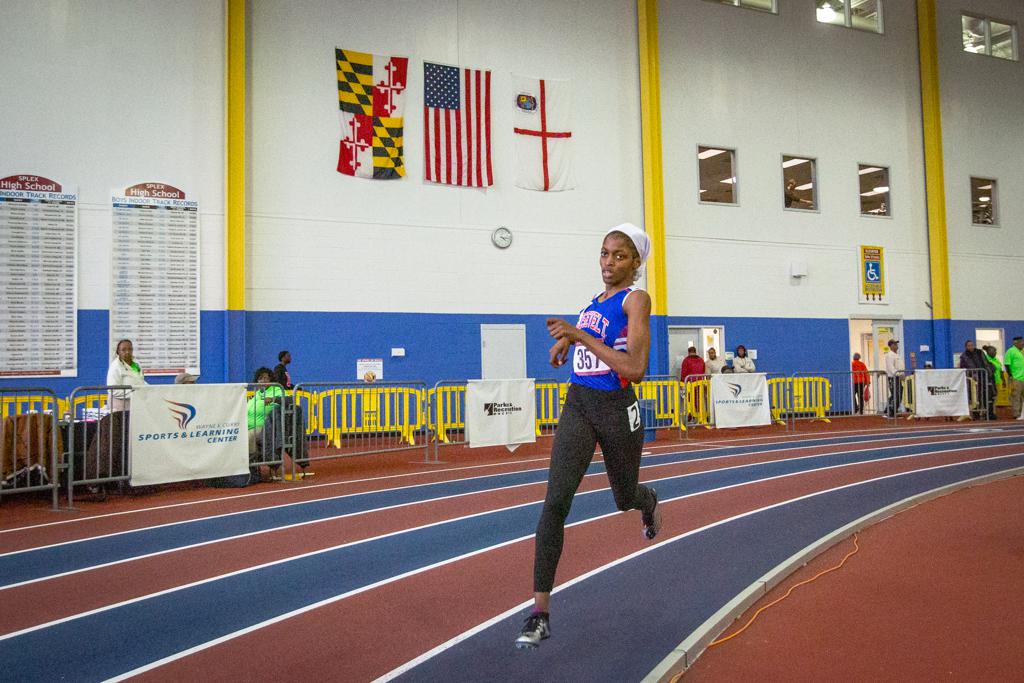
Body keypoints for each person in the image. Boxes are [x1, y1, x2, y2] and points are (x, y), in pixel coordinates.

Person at [515, 223, 661, 650]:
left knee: (623, 497)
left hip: (617, 411)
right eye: (604, 253)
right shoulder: (593, 303)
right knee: (555, 502)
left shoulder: (637, 299)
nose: (608, 262)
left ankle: (646, 500)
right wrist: (569, 347)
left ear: (636, 263)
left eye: (619, 255)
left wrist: (579, 335)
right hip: (579, 403)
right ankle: (539, 612)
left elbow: (633, 367)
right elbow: (595, 346)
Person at [247, 367, 284, 459]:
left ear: (271, 379)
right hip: (249, 426)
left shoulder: (277, 390)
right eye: (260, 378)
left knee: (248, 437)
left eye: (265, 378)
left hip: (265, 427)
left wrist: (273, 399)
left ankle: (253, 466)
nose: (263, 381)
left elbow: (286, 400)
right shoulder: (258, 393)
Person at [106, 339, 147, 411]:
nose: (127, 352)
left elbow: (140, 380)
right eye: (123, 350)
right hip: (119, 406)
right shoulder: (115, 367)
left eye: (130, 349)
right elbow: (113, 390)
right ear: (118, 352)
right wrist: (133, 394)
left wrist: (149, 388)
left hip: (136, 404)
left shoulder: (135, 364)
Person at [1005, 336, 1024, 419]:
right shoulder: (1010, 351)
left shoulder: (1022, 351)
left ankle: (1022, 413)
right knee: (1016, 396)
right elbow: (1007, 364)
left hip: (1023, 377)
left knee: (1021, 397)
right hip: (1016, 378)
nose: (1022, 344)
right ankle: (1017, 414)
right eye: (1021, 342)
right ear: (1015, 343)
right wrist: (1011, 376)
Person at [883, 339, 904, 417]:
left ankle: (889, 410)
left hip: (898, 377)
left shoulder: (896, 355)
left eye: (896, 344)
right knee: (896, 395)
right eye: (895, 344)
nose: (896, 345)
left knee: (897, 394)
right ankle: (890, 412)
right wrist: (898, 374)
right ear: (891, 346)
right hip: (893, 377)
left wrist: (902, 374)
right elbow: (891, 367)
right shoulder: (889, 355)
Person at [984, 345, 1003, 420]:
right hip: (990, 382)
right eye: (993, 351)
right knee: (991, 398)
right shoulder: (986, 359)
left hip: (997, 381)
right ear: (988, 352)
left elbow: (1000, 369)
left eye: (995, 351)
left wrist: (1003, 379)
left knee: (995, 399)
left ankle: (993, 413)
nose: (995, 353)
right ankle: (990, 413)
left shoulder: (996, 359)